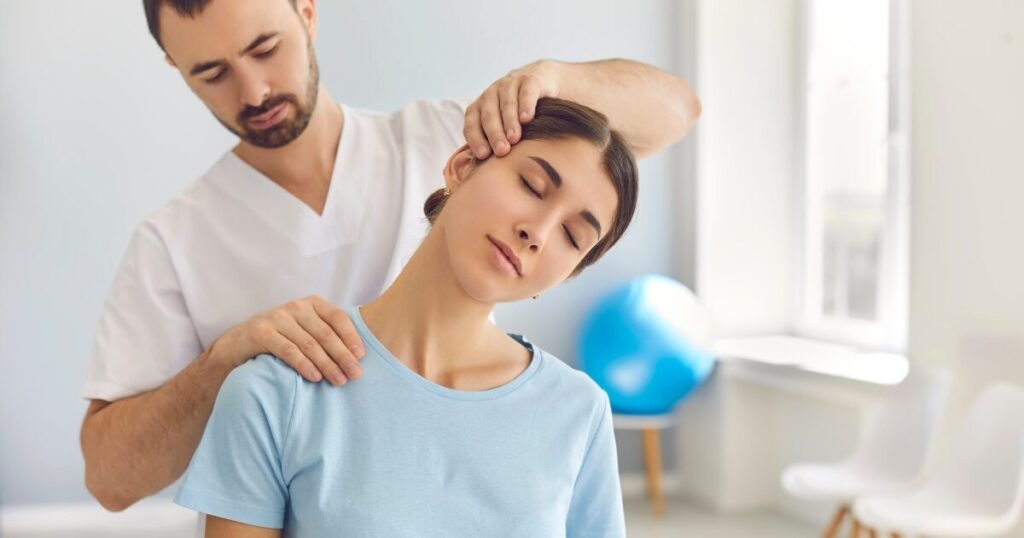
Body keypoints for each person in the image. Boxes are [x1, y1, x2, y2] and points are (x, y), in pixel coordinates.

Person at [80, 0, 702, 516]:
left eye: (265, 48)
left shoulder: (447, 137)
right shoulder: (174, 245)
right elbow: (109, 479)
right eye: (211, 73)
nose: (255, 89)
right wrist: (224, 363)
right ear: (175, 67)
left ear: (306, 11)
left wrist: (551, 80)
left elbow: (673, 114)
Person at [176, 97, 637, 537]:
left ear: (567, 274)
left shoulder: (579, 412)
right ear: (462, 166)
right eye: (532, 186)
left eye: (572, 237)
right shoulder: (278, 391)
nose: (536, 232)